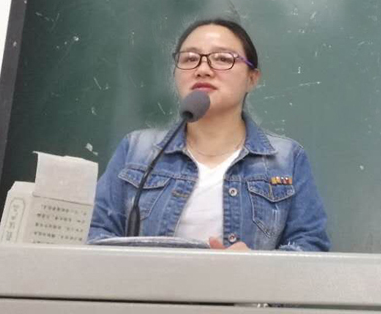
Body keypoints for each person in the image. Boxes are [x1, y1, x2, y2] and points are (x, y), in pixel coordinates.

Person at [89, 18, 330, 251]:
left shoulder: (286, 158)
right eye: (190, 59)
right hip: (148, 281)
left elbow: (310, 246)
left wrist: (254, 265)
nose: (203, 69)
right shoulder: (137, 149)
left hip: (242, 281)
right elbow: (95, 233)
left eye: (223, 58)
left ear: (252, 78)